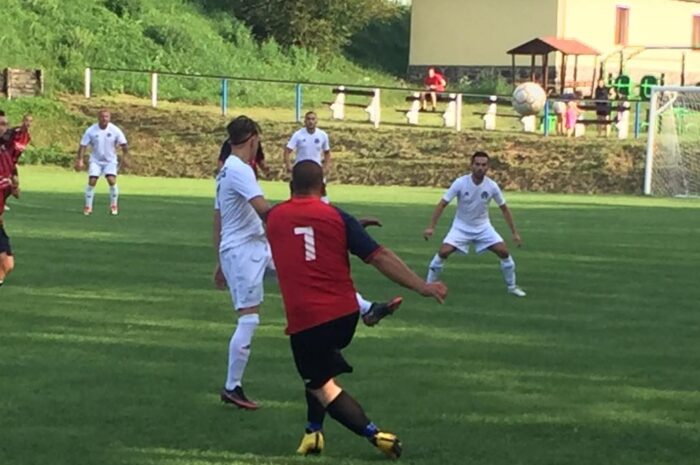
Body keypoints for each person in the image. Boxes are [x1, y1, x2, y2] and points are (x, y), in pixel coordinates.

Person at [266, 160, 448, 459]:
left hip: (307, 321)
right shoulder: (338, 218)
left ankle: (377, 436)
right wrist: (421, 286)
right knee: (319, 372)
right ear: (323, 188)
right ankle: (313, 432)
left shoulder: (274, 218)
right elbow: (380, 257)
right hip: (345, 315)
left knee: (321, 387)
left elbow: (299, 238)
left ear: (289, 187)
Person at [283, 110, 396, 322]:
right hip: (270, 258)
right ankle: (366, 308)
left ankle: (366, 307)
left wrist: (351, 225)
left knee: (320, 274)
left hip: (274, 257)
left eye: (313, 118)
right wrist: (424, 287)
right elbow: (380, 257)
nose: (311, 121)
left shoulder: (280, 215)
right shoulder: (283, 215)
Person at [213, 116, 273, 410]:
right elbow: (265, 212)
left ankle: (365, 308)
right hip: (244, 250)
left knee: (305, 270)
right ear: (253, 139)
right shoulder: (239, 170)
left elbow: (218, 218)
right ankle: (232, 387)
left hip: (251, 246)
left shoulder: (226, 171)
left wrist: (219, 259)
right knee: (249, 318)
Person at [423, 151, 526, 297]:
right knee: (443, 252)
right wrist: (431, 227)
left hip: (483, 227)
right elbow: (442, 204)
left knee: (504, 252)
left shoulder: (492, 186)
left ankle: (512, 287)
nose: (480, 168)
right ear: (471, 166)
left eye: (484, 165)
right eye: (477, 164)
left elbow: (504, 209)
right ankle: (428, 286)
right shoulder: (460, 183)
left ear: (488, 167)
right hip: (461, 227)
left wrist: (514, 232)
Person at [75, 109, 128, 216]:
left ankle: (114, 205)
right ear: (98, 118)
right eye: (102, 117)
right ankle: (88, 206)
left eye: (106, 117)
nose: (104, 119)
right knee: (92, 180)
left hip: (110, 160)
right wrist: (80, 160)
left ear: (109, 118)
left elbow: (124, 145)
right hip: (96, 160)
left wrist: (125, 158)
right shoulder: (91, 130)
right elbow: (83, 145)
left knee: (111, 180)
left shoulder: (115, 130)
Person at [283, 111, 330, 175]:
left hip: (316, 169)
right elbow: (287, 151)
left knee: (321, 184)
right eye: (308, 119)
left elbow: (327, 152)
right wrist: (288, 165)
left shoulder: (322, 135)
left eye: (313, 119)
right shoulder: (298, 134)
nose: (310, 121)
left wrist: (326, 167)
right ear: (305, 121)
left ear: (316, 121)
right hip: (301, 169)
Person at [1, 113, 32, 211]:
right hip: (4, 162)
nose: (28, 123)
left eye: (30, 121)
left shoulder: (27, 137)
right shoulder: (14, 132)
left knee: (14, 184)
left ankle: (3, 201)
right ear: (23, 121)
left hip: (12, 164)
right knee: (7, 183)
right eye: (27, 120)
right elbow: (3, 139)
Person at [0, 112, 16, 286]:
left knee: (7, 264)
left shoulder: (4, 149)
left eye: (5, 124)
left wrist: (13, 184)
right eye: (1, 124)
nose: (4, 128)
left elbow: (11, 170)